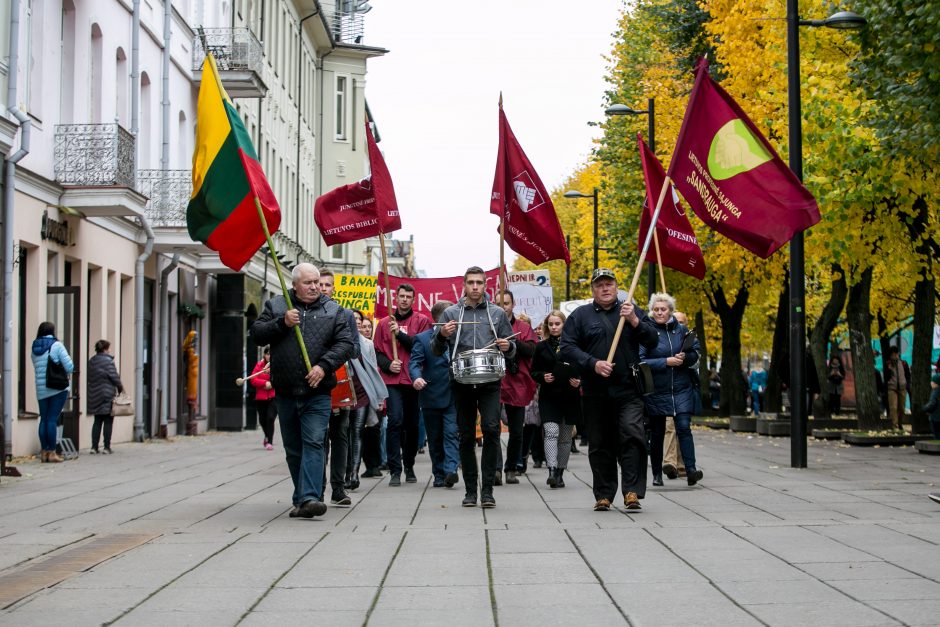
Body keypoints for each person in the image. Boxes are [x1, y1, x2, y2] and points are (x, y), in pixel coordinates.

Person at [250, 263, 356, 519]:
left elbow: (346, 344)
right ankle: (302, 498)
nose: (314, 287)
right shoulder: (277, 305)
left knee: (314, 442)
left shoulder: (334, 310)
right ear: (295, 284)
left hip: (317, 392)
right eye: (308, 283)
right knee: (294, 447)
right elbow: (256, 334)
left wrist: (323, 366)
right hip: (285, 391)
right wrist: (282, 323)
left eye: (317, 282)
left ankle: (310, 496)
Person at [560, 269, 658, 511]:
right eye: (600, 285)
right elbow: (567, 347)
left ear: (616, 287)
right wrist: (593, 363)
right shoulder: (580, 316)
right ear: (593, 289)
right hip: (596, 391)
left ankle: (632, 491)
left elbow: (654, 340)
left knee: (632, 434)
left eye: (609, 284)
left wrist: (635, 321)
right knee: (600, 442)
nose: (605, 288)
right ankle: (603, 494)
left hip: (628, 390)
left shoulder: (630, 311)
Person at [433, 266, 517, 508]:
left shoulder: (497, 313)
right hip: (461, 381)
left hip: (490, 380)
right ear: (464, 285)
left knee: (491, 429)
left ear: (485, 285)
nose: (475, 287)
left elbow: (513, 349)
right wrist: (441, 335)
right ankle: (471, 490)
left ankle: (488, 490)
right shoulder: (450, 313)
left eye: (479, 282)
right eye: (471, 282)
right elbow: (435, 349)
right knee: (466, 434)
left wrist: (507, 347)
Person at [640, 293, 704, 488]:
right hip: (658, 389)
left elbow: (696, 353)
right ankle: (657, 473)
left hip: (681, 387)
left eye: (663, 309)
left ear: (670, 310)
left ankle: (691, 470)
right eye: (656, 309)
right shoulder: (647, 332)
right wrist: (665, 362)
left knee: (684, 427)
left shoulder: (682, 330)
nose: (660, 312)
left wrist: (686, 357)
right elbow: (641, 361)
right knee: (658, 432)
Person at [374, 283, 432, 486]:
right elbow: (377, 353)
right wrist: (389, 365)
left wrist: (399, 335)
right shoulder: (383, 324)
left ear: (413, 300)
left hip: (413, 380)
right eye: (401, 296)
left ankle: (409, 464)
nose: (405, 299)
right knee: (395, 420)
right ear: (395, 298)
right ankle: (395, 469)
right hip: (392, 380)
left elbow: (421, 346)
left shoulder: (422, 321)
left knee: (412, 424)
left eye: (408, 296)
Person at [317, 268, 361, 506]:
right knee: (318, 437)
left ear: (334, 288)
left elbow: (354, 349)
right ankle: (318, 487)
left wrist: (336, 349)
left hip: (341, 381)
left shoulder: (345, 314)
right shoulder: (307, 313)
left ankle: (338, 488)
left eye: (327, 285)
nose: (323, 288)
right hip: (316, 383)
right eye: (320, 284)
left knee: (340, 436)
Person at [410, 300, 460, 488]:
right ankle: (439, 473)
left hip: (455, 394)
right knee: (435, 437)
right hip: (431, 394)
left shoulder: (459, 337)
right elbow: (414, 363)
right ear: (439, 319)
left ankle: (451, 470)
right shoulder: (422, 339)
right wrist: (416, 378)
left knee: (451, 433)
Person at [530, 310, 581, 488]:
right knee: (551, 432)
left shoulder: (573, 346)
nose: (553, 327)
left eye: (557, 324)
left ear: (564, 325)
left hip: (569, 395)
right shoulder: (541, 347)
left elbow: (583, 366)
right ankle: (551, 470)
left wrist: (579, 381)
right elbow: (534, 371)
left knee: (565, 437)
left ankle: (560, 472)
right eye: (550, 324)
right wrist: (543, 376)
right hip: (549, 396)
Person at [498, 290, 537, 484]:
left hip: (516, 383)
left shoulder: (522, 327)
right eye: (499, 303)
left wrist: (513, 344)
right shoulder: (488, 326)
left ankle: (511, 467)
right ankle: (495, 468)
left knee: (516, 430)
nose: (503, 307)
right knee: (490, 428)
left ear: (513, 305)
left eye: (506, 303)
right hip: (493, 382)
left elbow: (532, 349)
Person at [347, 310, 389, 490]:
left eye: (359, 319)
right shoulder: (336, 340)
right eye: (353, 319)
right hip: (342, 392)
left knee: (357, 431)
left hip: (362, 392)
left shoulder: (367, 344)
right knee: (343, 434)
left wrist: (378, 396)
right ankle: (343, 471)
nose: (356, 322)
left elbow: (373, 371)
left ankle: (353, 474)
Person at [30, 322, 74, 463]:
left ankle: (44, 452)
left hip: (41, 388)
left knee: (44, 419)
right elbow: (70, 366)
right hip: (57, 387)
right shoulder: (57, 345)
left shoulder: (35, 347)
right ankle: (52, 452)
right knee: (52, 419)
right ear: (52, 331)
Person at [86, 339, 124, 454]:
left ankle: (94, 447)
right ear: (105, 349)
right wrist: (120, 388)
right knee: (108, 420)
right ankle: (107, 447)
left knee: (97, 420)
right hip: (106, 394)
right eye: (108, 348)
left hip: (94, 394)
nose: (109, 351)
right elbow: (114, 377)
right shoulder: (108, 361)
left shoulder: (91, 361)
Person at [249, 347, 277, 451]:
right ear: (264, 355)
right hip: (261, 398)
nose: (269, 356)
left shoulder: (277, 365)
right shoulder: (259, 365)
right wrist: (265, 383)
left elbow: (281, 379)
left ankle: (270, 441)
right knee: (262, 420)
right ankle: (266, 436)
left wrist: (272, 384)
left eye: (271, 354)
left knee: (270, 418)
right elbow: (253, 379)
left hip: (273, 397)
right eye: (267, 354)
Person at [885, 346, 911, 429]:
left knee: (901, 408)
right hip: (892, 388)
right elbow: (886, 377)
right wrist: (888, 370)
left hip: (902, 388)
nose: (894, 356)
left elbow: (907, 375)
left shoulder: (903, 363)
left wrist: (907, 384)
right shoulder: (888, 364)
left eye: (896, 354)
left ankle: (900, 423)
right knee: (893, 407)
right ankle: (894, 425)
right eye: (892, 354)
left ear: (898, 354)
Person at [923, 373, 940, 440]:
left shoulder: (935, 392)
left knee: (936, 434)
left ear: (936, 383)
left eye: (932, 381)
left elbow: (932, 404)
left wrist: (925, 408)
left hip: (935, 417)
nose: (931, 383)